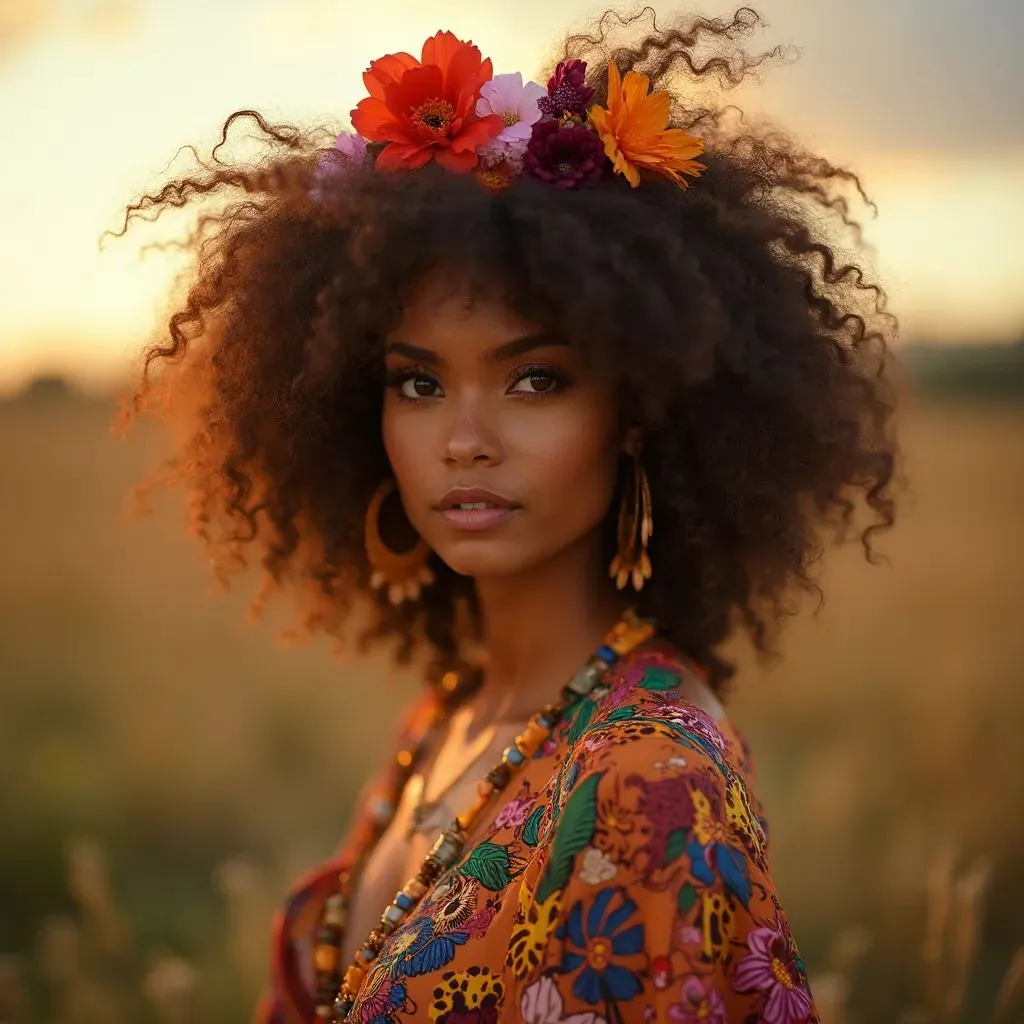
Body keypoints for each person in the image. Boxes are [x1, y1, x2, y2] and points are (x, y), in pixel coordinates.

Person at [114, 7, 897, 1023]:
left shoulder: (651, 779)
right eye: (417, 382)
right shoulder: (443, 720)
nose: (464, 439)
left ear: (639, 411)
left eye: (535, 379)